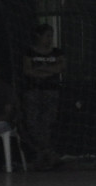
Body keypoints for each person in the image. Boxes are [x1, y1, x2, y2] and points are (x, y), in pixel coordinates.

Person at [21, 24, 64, 167]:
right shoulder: (29, 52)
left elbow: (60, 68)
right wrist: (48, 71)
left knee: (48, 122)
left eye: (51, 36)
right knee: (33, 122)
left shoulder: (57, 52)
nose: (50, 39)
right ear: (38, 36)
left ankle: (46, 154)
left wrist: (41, 69)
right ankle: (42, 152)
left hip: (51, 91)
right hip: (33, 91)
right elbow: (27, 71)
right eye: (47, 36)